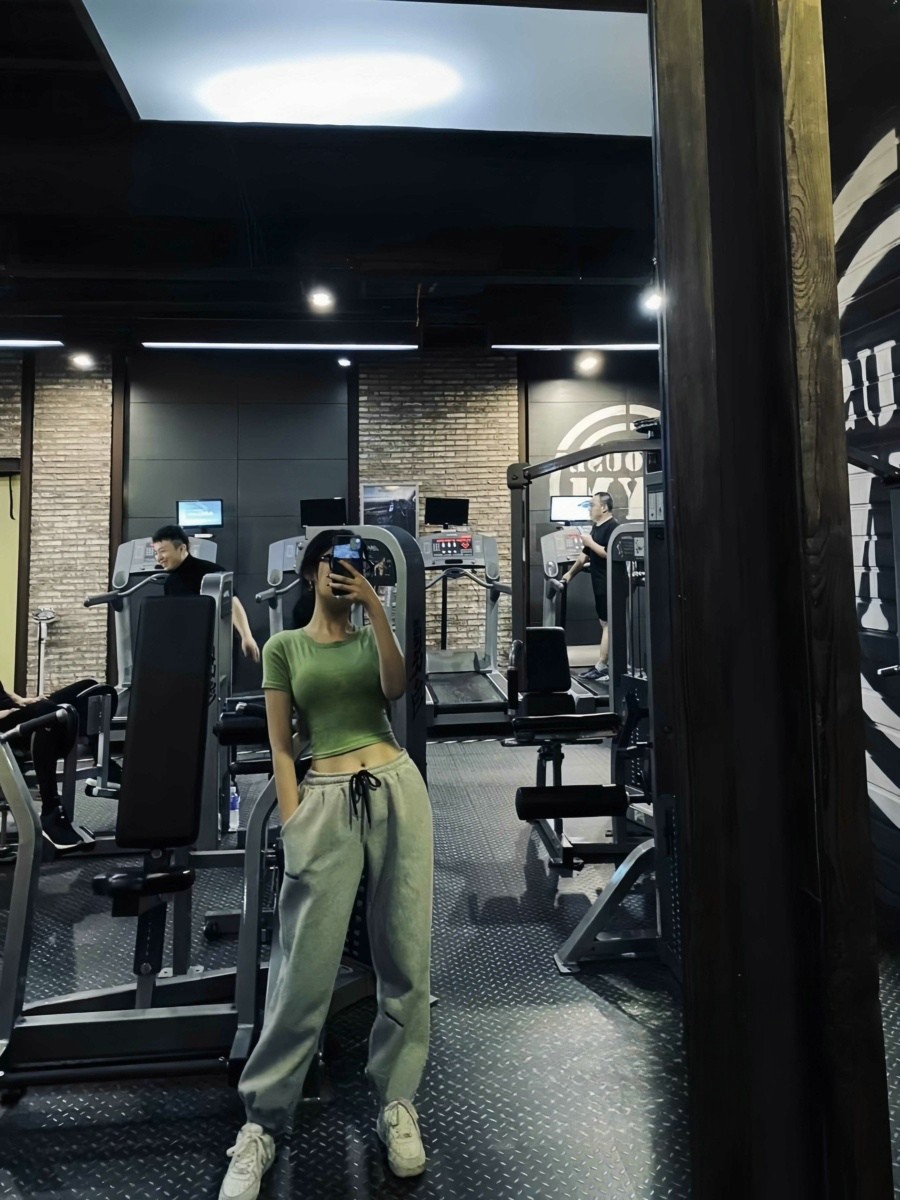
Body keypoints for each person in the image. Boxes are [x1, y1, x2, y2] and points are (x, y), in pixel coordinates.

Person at [218, 529, 434, 1200]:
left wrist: (375, 607)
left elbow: (395, 688)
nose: (345, 575)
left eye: (357, 568)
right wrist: (294, 821)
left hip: (395, 787)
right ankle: (261, 1121)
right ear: (313, 573)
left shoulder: (372, 635)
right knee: (303, 968)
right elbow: (282, 746)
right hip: (325, 799)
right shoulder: (284, 647)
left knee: (405, 954)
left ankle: (397, 1101)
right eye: (336, 567)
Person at [0, 676, 107, 851]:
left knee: (90, 688)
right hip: (5, 724)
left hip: (15, 711)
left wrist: (20, 700)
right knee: (47, 712)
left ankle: (104, 762)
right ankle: (51, 811)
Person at [151, 525, 260, 662]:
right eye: (156, 553)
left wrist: (246, 636)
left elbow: (232, 603)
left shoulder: (211, 571)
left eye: (162, 551)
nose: (159, 558)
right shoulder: (170, 582)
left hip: (216, 646)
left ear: (182, 548)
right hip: (185, 647)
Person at [560, 491, 619, 682]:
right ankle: (604, 665)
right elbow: (584, 556)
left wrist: (590, 542)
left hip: (611, 583)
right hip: (599, 583)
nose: (589, 509)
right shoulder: (596, 528)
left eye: (592, 505)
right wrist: (570, 574)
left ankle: (602, 666)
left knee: (608, 624)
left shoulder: (613, 527)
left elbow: (608, 553)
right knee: (605, 623)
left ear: (604, 507)